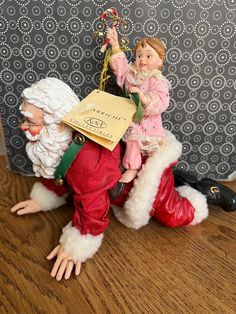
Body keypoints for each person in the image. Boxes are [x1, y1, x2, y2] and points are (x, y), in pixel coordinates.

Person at [10, 78, 235, 282]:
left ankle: (205, 191)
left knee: (174, 214)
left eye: (31, 122)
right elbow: (59, 170)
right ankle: (181, 178)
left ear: (58, 123)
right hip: (126, 168)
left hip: (142, 183)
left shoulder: (86, 162)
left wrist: (75, 246)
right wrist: (42, 199)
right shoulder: (62, 142)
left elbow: (93, 209)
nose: (23, 127)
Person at [107, 27, 170, 183]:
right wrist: (115, 45)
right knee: (131, 139)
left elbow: (161, 102)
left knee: (152, 152)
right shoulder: (133, 75)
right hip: (133, 119)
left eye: (149, 56)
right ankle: (132, 167)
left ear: (160, 60)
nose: (142, 59)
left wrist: (144, 98)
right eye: (139, 55)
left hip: (150, 124)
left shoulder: (158, 81)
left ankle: (147, 172)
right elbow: (120, 70)